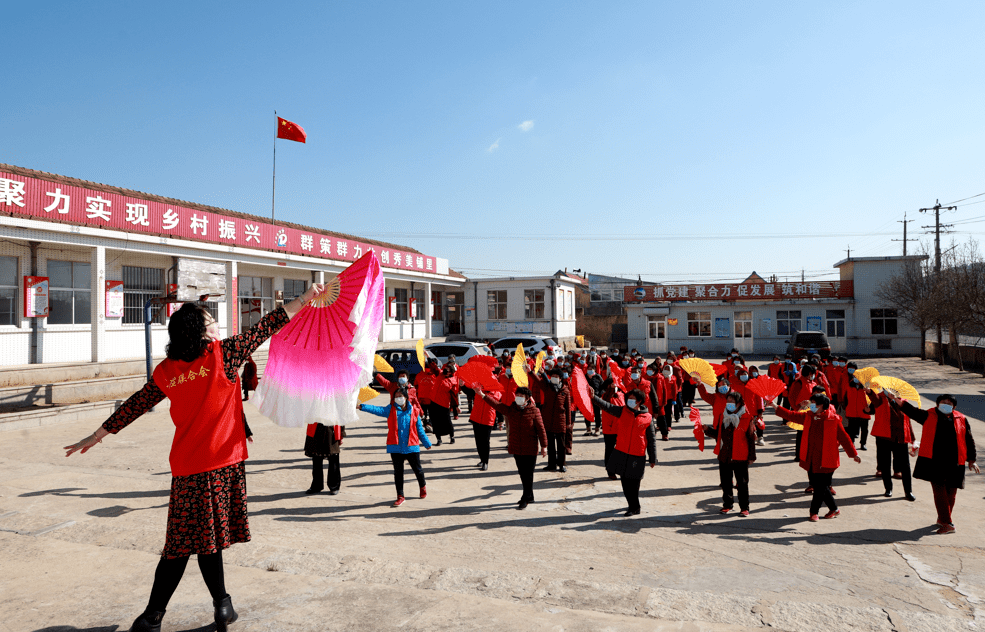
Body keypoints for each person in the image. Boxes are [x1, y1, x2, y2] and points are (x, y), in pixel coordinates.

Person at [64, 284, 325, 632]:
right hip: (220, 466)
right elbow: (270, 323)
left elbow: (137, 404)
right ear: (200, 332)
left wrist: (99, 434)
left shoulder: (168, 370)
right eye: (211, 321)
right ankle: (180, 612)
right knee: (191, 543)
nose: (217, 325)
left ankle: (186, 611)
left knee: (193, 540)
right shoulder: (224, 354)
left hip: (187, 468)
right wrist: (307, 298)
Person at [896, 393, 979, 534]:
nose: (946, 405)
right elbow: (912, 411)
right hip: (934, 460)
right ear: (937, 404)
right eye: (943, 402)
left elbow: (968, 439)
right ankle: (947, 522)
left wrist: (972, 459)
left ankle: (944, 520)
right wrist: (900, 402)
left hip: (955, 461)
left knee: (951, 493)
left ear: (954, 407)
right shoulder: (929, 415)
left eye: (949, 403)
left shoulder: (961, 418)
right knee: (939, 491)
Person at [770, 394, 861, 521]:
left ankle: (814, 512)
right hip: (811, 458)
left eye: (814, 403)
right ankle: (834, 509)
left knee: (819, 487)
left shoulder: (833, 419)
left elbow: (844, 438)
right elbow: (791, 415)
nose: (811, 406)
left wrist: (854, 454)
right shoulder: (808, 416)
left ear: (822, 405)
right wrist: (775, 405)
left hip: (826, 459)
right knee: (821, 486)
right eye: (811, 403)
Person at [360, 387, 433, 507]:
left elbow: (419, 429)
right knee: (398, 472)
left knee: (418, 469)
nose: (398, 398)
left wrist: (426, 443)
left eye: (401, 396)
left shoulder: (414, 411)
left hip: (412, 446)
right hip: (395, 446)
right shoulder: (390, 410)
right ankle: (400, 496)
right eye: (396, 396)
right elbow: (376, 409)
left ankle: (422, 486)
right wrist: (362, 406)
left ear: (406, 397)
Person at [476, 385, 547, 509]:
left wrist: (544, 446)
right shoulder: (512, 409)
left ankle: (525, 498)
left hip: (530, 447)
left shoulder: (535, 411)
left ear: (528, 398)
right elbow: (497, 405)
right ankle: (530, 495)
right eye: (517, 395)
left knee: (528, 474)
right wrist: (482, 394)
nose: (518, 398)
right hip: (516, 446)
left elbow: (541, 429)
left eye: (521, 396)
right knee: (522, 473)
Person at [592, 388, 658, 516]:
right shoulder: (622, 411)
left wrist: (652, 458)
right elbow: (607, 406)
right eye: (629, 398)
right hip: (621, 452)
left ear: (639, 401)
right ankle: (632, 506)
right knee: (625, 482)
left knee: (634, 483)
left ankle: (635, 506)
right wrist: (593, 397)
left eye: (633, 399)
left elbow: (652, 439)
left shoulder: (648, 418)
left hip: (637, 456)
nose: (629, 401)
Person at [704, 391, 757, 516]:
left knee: (742, 484)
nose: (729, 404)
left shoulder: (746, 417)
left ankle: (744, 507)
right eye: (728, 401)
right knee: (726, 483)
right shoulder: (723, 416)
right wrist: (707, 430)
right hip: (725, 455)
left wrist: (751, 456)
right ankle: (727, 505)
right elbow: (719, 435)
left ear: (739, 403)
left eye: (732, 401)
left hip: (740, 456)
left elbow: (750, 438)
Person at [865, 387, 915, 500]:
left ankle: (908, 491)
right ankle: (888, 488)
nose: (890, 392)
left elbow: (908, 421)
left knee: (905, 467)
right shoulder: (880, 399)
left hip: (900, 438)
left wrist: (913, 440)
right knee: (885, 464)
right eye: (888, 390)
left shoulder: (903, 402)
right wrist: (869, 392)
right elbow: (875, 399)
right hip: (883, 437)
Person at [532, 368, 572, 472]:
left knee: (561, 445)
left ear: (560, 378)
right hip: (548, 420)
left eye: (556, 377)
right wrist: (531, 372)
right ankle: (551, 465)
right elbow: (538, 381)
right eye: (552, 376)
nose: (554, 378)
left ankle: (562, 465)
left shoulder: (565, 390)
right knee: (550, 445)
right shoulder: (547, 388)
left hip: (560, 421)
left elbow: (568, 408)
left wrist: (568, 423)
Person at [303, 423, 344, 495]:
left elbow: (342, 415)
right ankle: (316, 485)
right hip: (316, 427)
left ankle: (334, 486)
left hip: (332, 427)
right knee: (316, 458)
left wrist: (342, 432)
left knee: (333, 458)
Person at [469, 380, 501, 470]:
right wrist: (462, 386)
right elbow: (468, 392)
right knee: (478, 441)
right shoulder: (478, 390)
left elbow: (498, 407)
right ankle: (482, 460)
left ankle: (485, 461)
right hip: (476, 418)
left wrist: (500, 420)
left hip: (488, 420)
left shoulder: (496, 393)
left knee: (485, 442)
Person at [428, 364, 459, 445]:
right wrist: (429, 359)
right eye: (446, 368)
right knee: (435, 422)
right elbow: (434, 368)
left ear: (451, 372)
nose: (446, 370)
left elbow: (454, 396)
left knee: (447, 422)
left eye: (448, 369)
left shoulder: (453, 381)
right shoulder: (440, 374)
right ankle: (439, 439)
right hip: (434, 402)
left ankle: (452, 437)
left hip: (444, 404)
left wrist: (456, 407)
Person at [843, 365, 871, 451]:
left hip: (864, 412)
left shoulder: (867, 388)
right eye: (855, 377)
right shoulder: (849, 386)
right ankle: (852, 444)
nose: (856, 379)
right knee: (851, 430)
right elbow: (845, 398)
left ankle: (863, 443)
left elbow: (872, 400)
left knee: (864, 430)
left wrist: (869, 409)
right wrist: (846, 407)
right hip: (852, 411)